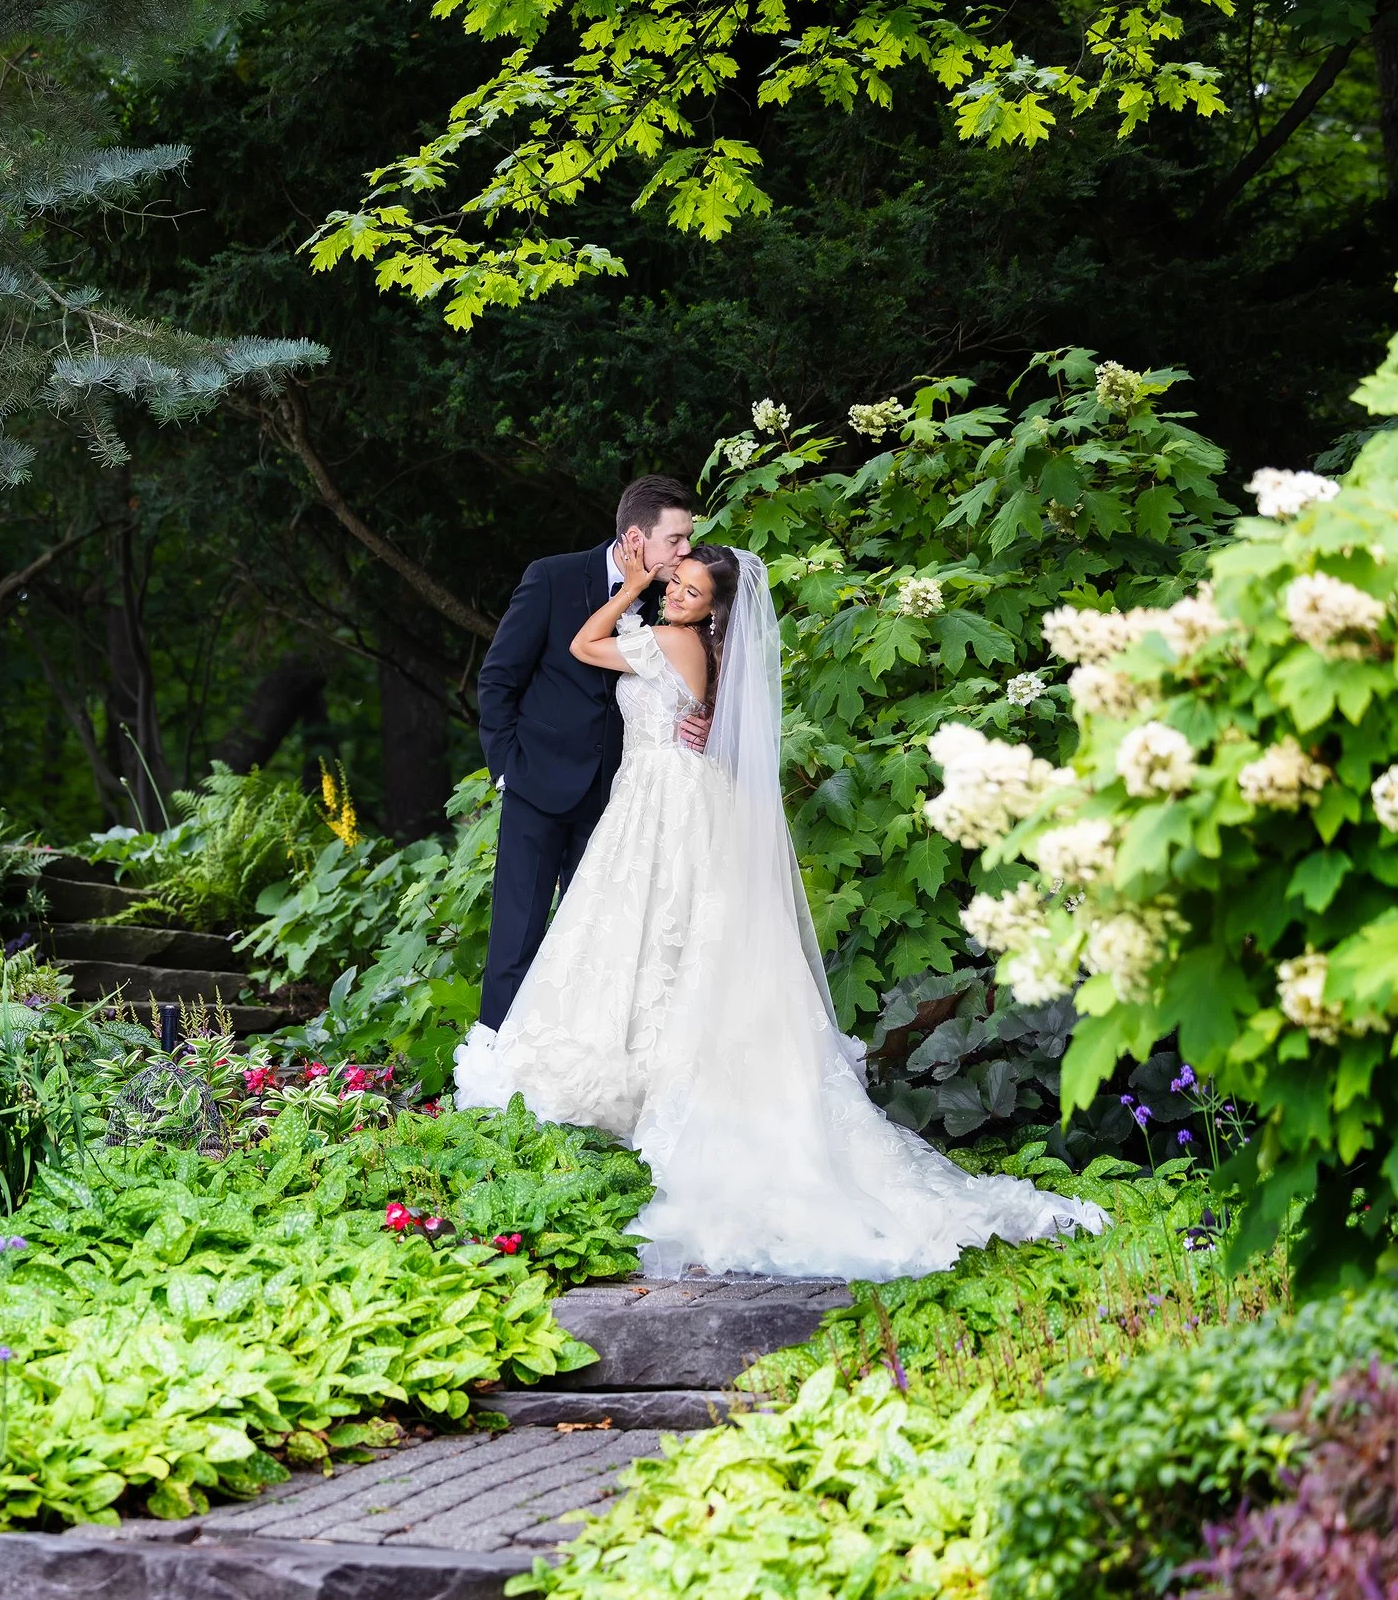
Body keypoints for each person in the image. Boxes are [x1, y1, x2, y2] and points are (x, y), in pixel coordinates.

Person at [456, 544, 1106, 1281]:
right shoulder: (702, 646)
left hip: (660, 802)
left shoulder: (669, 639)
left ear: (711, 611)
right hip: (670, 795)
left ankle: (645, 1085)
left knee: (652, 932)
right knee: (671, 937)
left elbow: (582, 643)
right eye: (675, 584)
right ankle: (649, 1080)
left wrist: (632, 584)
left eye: (690, 592)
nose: (673, 596)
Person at [473, 477, 705, 1043]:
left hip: (621, 801)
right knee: (516, 939)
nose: (685, 553)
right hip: (536, 786)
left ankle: (577, 1072)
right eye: (675, 540)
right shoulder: (551, 578)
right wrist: (508, 769)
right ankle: (494, 1070)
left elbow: (693, 676)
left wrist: (702, 718)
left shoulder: (674, 600)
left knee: (599, 943)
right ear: (635, 537)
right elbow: (499, 678)